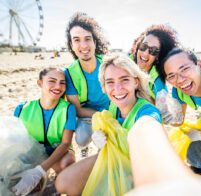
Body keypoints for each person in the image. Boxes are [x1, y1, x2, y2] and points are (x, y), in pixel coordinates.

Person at [55, 52, 162, 195]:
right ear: (104, 86)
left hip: (139, 173)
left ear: (136, 82)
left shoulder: (146, 111)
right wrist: (102, 143)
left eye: (124, 79)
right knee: (63, 183)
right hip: (116, 163)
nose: (117, 89)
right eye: (110, 82)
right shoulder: (113, 107)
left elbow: (150, 126)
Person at [126, 116, 201, 195]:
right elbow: (179, 119)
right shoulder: (180, 89)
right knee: (199, 123)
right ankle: (199, 167)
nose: (178, 80)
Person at [12, 68, 76, 195]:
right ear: (40, 83)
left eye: (62, 82)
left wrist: (39, 171)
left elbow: (65, 143)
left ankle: (55, 182)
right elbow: (15, 141)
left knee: (67, 164)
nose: (58, 86)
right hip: (31, 151)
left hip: (58, 151)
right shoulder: (22, 108)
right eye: (52, 81)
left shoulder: (68, 108)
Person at [64, 12, 110, 152]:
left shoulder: (109, 64)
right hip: (89, 115)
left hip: (114, 112)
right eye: (77, 40)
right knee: (81, 139)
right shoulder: (69, 73)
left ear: (95, 42)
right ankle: (84, 149)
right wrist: (100, 117)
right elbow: (77, 109)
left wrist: (110, 117)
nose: (83, 45)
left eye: (87, 39)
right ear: (71, 45)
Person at [130, 24, 178, 100]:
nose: (145, 53)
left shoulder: (157, 84)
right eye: (143, 46)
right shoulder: (123, 64)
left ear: (158, 57)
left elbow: (163, 110)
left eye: (153, 51)